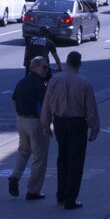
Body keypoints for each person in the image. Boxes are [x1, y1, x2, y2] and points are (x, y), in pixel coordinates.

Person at [41, 51, 100, 210]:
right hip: (77, 123)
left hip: (59, 122)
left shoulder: (54, 80)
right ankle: (70, 199)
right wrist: (94, 128)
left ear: (67, 62)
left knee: (63, 158)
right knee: (76, 161)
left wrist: (45, 125)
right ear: (79, 64)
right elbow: (91, 109)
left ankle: (61, 195)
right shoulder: (84, 82)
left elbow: (46, 104)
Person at [8, 56, 52, 201]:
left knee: (24, 151)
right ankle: (33, 191)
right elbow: (45, 107)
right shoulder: (41, 85)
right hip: (35, 122)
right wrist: (46, 126)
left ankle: (15, 176)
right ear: (35, 67)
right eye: (44, 67)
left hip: (21, 120)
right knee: (40, 157)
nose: (47, 70)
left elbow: (13, 100)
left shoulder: (22, 82)